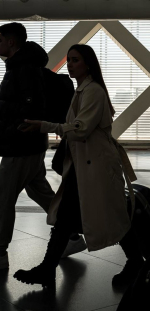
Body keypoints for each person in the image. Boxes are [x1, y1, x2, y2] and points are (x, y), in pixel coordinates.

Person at [13, 44, 132, 287]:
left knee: (113, 216)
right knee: (70, 217)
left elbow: (81, 129)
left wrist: (43, 125)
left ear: (88, 63)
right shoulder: (83, 91)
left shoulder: (93, 92)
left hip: (96, 167)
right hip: (86, 167)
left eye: (75, 60)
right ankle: (47, 268)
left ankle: (137, 261)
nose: (70, 64)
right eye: (69, 60)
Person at [0, 22, 86, 271]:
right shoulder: (26, 67)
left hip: (21, 144)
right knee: (39, 191)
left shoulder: (22, 69)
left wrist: (2, 106)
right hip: (31, 143)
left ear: (11, 42)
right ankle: (71, 235)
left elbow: (28, 109)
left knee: (3, 197)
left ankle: (0, 252)